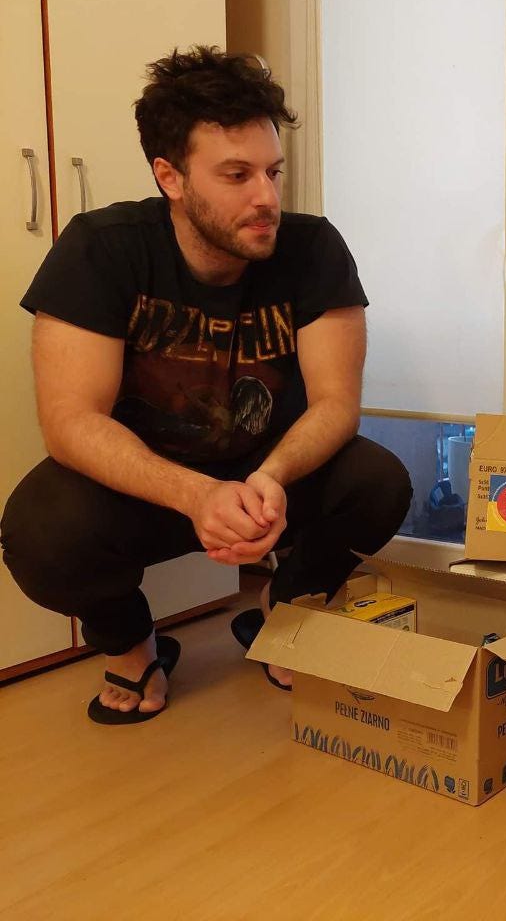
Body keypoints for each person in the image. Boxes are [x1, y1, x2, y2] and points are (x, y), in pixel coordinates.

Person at [0, 46, 412, 724]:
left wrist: (271, 477)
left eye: (273, 172)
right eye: (237, 175)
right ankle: (132, 644)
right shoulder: (101, 249)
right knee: (40, 531)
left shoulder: (314, 249)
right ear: (170, 176)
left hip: (266, 481)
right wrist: (195, 495)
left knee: (378, 481)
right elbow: (71, 422)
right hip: (148, 485)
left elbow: (337, 404)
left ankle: (284, 609)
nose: (267, 197)